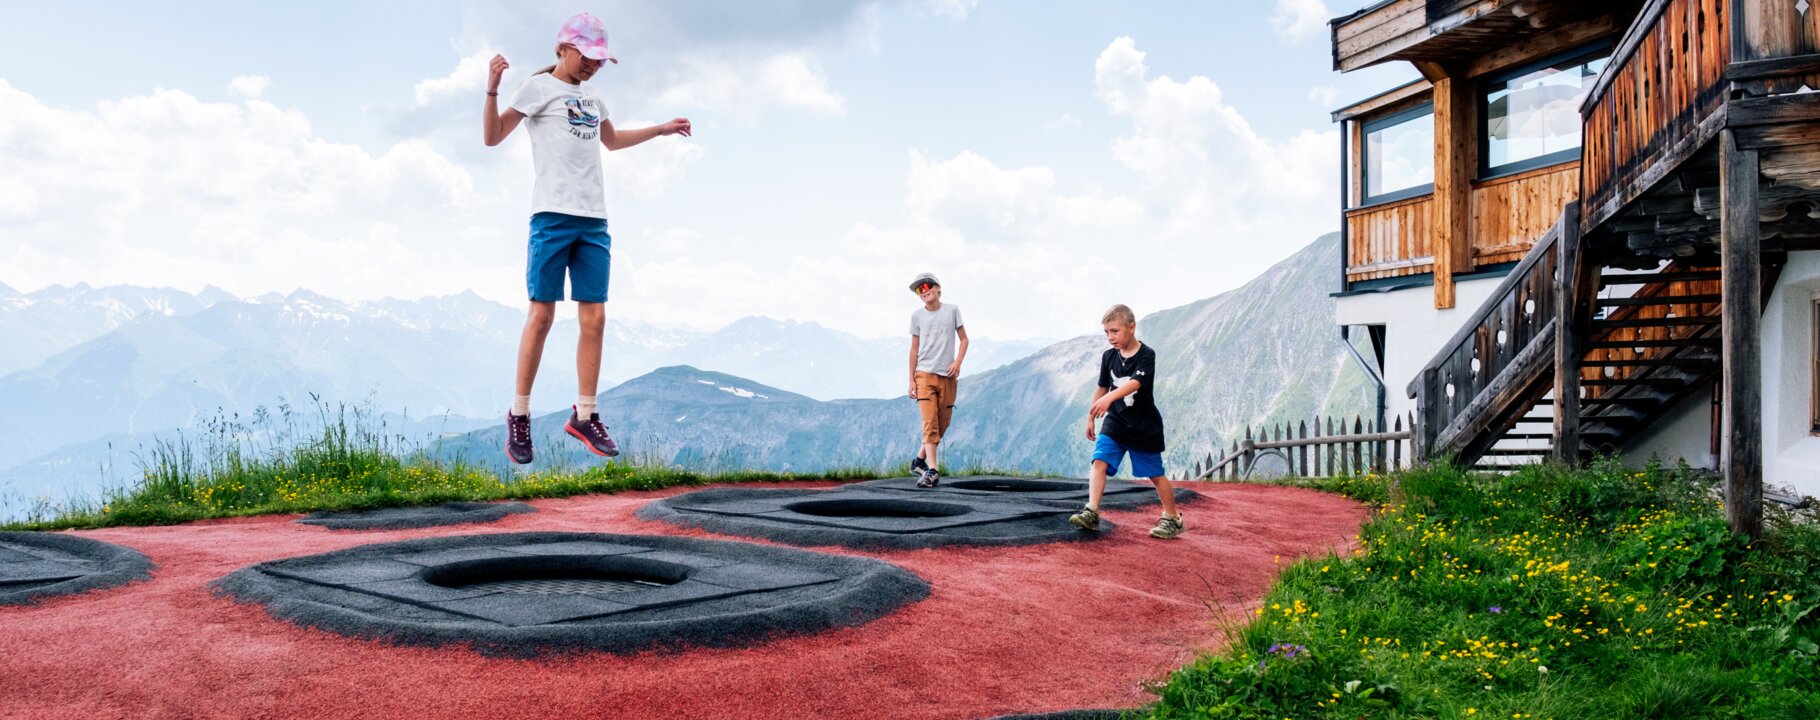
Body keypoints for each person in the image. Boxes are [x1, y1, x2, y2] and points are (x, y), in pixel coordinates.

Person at [481, 12, 691, 464]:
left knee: (594, 319)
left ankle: (585, 414)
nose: (594, 66)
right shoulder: (536, 89)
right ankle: (519, 415)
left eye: (600, 60)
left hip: (594, 220)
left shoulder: (594, 100)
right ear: (564, 48)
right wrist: (493, 87)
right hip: (552, 217)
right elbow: (493, 137)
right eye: (588, 57)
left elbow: (611, 142)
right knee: (542, 316)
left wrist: (659, 129)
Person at [1070, 304, 1184, 539]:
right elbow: (1102, 386)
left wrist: (1111, 396)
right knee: (1099, 461)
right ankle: (1092, 511)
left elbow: (1135, 383)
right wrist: (1091, 416)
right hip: (1116, 422)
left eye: (1115, 331)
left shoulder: (1146, 355)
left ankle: (1172, 518)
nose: (1110, 337)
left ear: (1131, 327)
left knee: (1155, 475)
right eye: (1107, 333)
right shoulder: (1109, 357)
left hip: (1143, 427)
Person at [906, 272, 968, 487]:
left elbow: (964, 339)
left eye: (926, 286)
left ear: (937, 288)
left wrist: (957, 362)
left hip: (948, 376)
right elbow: (913, 350)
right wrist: (911, 380)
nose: (923, 291)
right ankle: (932, 470)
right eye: (919, 290)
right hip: (924, 375)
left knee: (943, 423)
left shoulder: (952, 310)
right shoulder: (916, 317)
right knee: (929, 424)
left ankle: (919, 460)